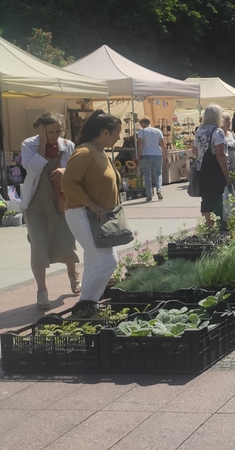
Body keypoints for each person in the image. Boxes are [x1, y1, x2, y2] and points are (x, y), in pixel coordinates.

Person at [60, 110, 123, 309]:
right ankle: (87, 303)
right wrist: (92, 204)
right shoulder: (84, 152)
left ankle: (88, 304)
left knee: (96, 259)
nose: (119, 137)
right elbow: (68, 183)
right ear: (105, 132)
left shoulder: (99, 152)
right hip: (82, 213)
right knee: (107, 261)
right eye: (116, 133)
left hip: (97, 216)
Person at [21, 112, 80, 309]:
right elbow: (32, 170)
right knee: (38, 246)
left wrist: (65, 171)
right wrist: (42, 145)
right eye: (50, 131)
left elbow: (75, 170)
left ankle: (73, 274)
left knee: (66, 241)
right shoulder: (28, 144)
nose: (55, 135)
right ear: (41, 129)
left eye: (58, 131)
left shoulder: (68, 145)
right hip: (35, 205)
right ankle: (42, 291)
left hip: (61, 202)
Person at [193, 104, 231, 229]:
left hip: (201, 168)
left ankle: (208, 225)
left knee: (206, 197)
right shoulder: (218, 131)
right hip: (215, 169)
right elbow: (220, 154)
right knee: (217, 196)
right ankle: (219, 224)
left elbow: (194, 151)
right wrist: (226, 175)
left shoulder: (199, 130)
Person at [136, 118, 165, 202]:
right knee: (158, 173)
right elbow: (163, 144)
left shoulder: (142, 131)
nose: (141, 126)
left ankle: (149, 194)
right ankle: (159, 190)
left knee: (147, 174)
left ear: (144, 123)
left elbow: (140, 145)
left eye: (141, 124)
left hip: (146, 154)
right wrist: (165, 155)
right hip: (157, 153)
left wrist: (139, 156)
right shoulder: (158, 131)